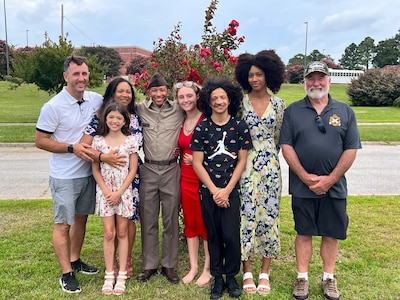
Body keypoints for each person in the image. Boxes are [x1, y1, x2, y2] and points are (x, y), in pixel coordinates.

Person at [279, 61, 361, 300]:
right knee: (304, 232)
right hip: (302, 186)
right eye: (311, 78)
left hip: (334, 186)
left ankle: (328, 278)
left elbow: (351, 149)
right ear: (305, 81)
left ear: (329, 81)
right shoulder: (293, 111)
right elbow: (286, 146)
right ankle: (302, 278)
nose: (316, 83)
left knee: (330, 233)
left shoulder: (345, 111)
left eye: (320, 78)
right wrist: (304, 176)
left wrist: (331, 178)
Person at [35, 55, 102, 293]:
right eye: (76, 74)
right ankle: (66, 273)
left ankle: (75, 259)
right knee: (63, 223)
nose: (81, 78)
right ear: (66, 76)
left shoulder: (95, 99)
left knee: (81, 219)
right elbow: (40, 141)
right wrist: (72, 148)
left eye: (84, 74)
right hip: (64, 176)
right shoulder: (53, 106)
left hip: (87, 174)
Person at [190, 76, 252, 299]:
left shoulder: (239, 126)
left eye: (222, 97)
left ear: (230, 99)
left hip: (231, 191)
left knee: (231, 235)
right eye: (214, 98)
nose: (218, 101)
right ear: (208, 101)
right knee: (214, 234)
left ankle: (231, 276)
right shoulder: (202, 128)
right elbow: (197, 163)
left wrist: (226, 190)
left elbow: (242, 161)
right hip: (208, 192)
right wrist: (215, 191)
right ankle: (217, 278)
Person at [234, 49, 286, 296]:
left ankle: (264, 271)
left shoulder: (278, 105)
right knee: (245, 217)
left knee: (269, 217)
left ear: (269, 75)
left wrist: (268, 160)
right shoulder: (240, 104)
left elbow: (277, 139)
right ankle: (246, 271)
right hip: (244, 167)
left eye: (260, 74)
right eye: (251, 75)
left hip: (270, 170)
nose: (255, 79)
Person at [81, 77, 142, 279]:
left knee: (128, 220)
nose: (125, 95)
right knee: (110, 226)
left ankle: (126, 261)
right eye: (120, 91)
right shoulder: (101, 116)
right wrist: (101, 157)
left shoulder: (134, 117)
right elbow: (84, 146)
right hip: (107, 177)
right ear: (112, 93)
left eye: (128, 91)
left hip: (129, 176)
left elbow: (138, 145)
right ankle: (113, 262)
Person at [135, 73, 184, 284]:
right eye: (154, 90)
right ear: (149, 92)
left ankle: (169, 265)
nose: (158, 94)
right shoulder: (140, 109)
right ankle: (149, 265)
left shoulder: (179, 109)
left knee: (171, 219)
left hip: (171, 169)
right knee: (148, 219)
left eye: (162, 90)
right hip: (148, 168)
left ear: (168, 91)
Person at [91, 102, 139, 295]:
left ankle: (121, 275)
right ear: (105, 118)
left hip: (123, 192)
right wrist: (106, 192)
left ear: (125, 120)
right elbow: (95, 169)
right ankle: (109, 273)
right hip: (104, 192)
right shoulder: (98, 141)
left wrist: (119, 193)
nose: (114, 121)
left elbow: (133, 169)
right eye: (111, 117)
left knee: (122, 232)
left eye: (119, 118)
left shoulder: (131, 140)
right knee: (109, 233)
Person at [175, 81, 211, 286]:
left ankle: (207, 268)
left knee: (205, 223)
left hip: (203, 179)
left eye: (189, 96)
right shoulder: (182, 120)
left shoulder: (205, 120)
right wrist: (178, 151)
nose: (186, 100)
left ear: (197, 96)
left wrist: (200, 159)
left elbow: (216, 150)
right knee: (190, 222)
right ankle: (193, 267)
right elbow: (182, 144)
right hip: (185, 179)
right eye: (181, 97)